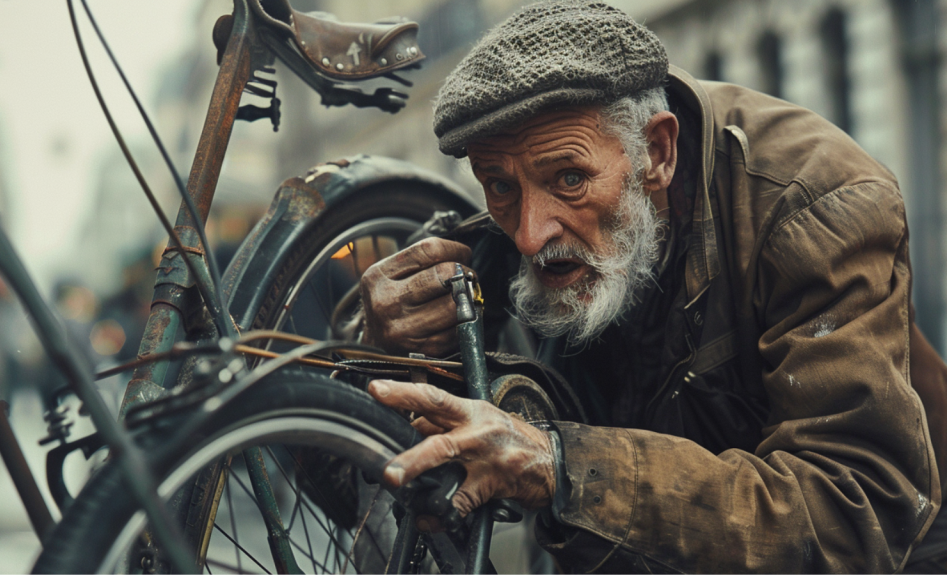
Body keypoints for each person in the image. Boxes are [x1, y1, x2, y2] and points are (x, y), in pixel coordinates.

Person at [358, 1, 947, 572]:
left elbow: (854, 514)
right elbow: (327, 444)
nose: (532, 237)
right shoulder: (516, 221)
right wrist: (378, 347)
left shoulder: (813, 205)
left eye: (568, 178)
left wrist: (562, 466)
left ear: (657, 153)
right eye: (499, 187)